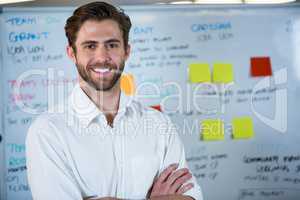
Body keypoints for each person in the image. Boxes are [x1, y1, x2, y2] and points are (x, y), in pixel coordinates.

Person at [26, 2, 203, 200]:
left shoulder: (159, 123)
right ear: (72, 53)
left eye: (112, 45)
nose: (102, 57)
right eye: (90, 46)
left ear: (126, 51)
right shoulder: (48, 131)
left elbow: (189, 197)